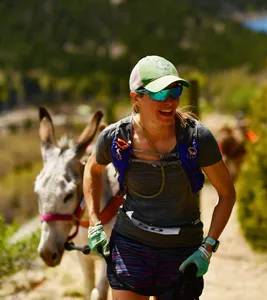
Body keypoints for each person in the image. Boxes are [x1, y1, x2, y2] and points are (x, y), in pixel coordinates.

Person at [83, 55, 236, 300]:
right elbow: (91, 170)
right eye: (160, 93)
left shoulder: (198, 138)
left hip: (182, 251)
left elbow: (227, 194)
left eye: (175, 90)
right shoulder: (115, 137)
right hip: (131, 244)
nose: (171, 101)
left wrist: (208, 247)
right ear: (137, 98)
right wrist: (94, 222)